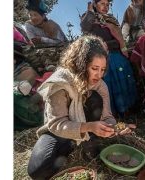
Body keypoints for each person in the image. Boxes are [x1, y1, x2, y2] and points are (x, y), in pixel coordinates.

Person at [27, 35, 135, 179]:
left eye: (103, 69)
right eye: (94, 68)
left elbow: (107, 116)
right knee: (37, 171)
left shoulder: (101, 85)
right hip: (58, 131)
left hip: (87, 129)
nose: (99, 74)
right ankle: (73, 144)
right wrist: (90, 127)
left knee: (94, 97)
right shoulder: (61, 83)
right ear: (81, 64)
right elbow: (56, 124)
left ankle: (86, 142)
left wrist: (115, 127)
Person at [80, 0, 138, 117]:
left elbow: (119, 40)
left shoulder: (111, 20)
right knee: (106, 84)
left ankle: (127, 110)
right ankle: (110, 113)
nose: (105, 7)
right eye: (102, 3)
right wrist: (90, 11)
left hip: (116, 55)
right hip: (100, 58)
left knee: (123, 80)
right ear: (95, 4)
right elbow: (85, 28)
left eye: (107, 4)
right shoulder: (89, 18)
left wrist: (108, 44)